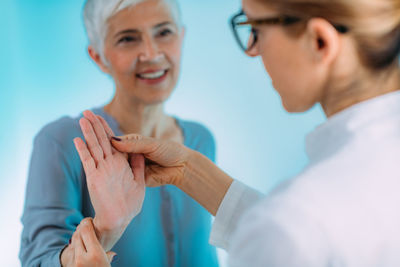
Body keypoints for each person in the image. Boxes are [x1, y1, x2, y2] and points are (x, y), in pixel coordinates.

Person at [71, 0, 400, 266]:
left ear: (319, 41)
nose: (252, 50)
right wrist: (187, 170)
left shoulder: (292, 224)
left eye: (255, 29)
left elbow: (287, 234)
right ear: (98, 56)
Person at [19, 0, 220, 266]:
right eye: (128, 39)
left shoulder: (201, 139)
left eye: (164, 32)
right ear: (98, 57)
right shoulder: (62, 142)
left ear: (181, 37)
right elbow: (38, 260)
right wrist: (103, 231)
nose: (151, 53)